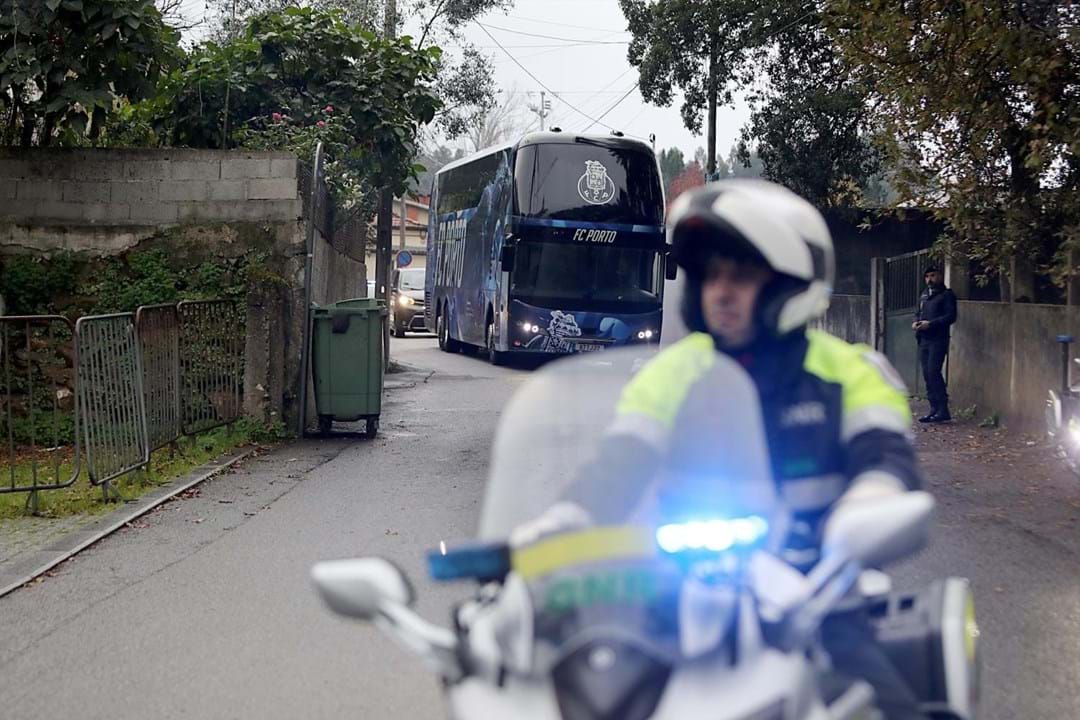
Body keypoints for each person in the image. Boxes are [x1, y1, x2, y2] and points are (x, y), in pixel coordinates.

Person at [516, 180, 926, 719]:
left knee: (886, 703)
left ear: (787, 284)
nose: (721, 290)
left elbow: (886, 458)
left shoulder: (847, 372)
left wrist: (869, 505)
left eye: (741, 275)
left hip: (815, 595)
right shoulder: (673, 373)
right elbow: (620, 462)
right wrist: (568, 517)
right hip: (682, 590)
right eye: (711, 275)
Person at [912, 267, 957, 423]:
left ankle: (943, 409)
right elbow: (918, 312)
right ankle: (933, 409)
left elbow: (951, 316)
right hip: (923, 339)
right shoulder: (924, 295)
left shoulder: (947, 295)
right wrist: (916, 322)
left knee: (933, 372)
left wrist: (931, 324)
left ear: (940, 276)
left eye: (933, 275)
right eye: (927, 276)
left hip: (938, 339)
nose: (930, 279)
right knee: (927, 374)